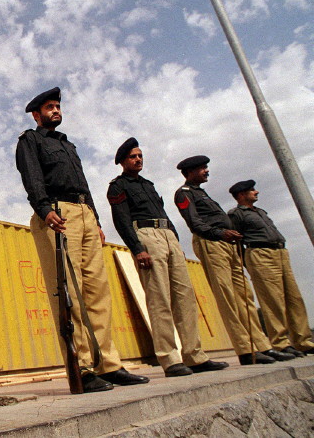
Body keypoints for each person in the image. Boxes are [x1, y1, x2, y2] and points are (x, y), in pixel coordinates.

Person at [16, 87, 148, 392]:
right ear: (37, 114)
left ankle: (109, 365)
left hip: (85, 215)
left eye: (58, 106)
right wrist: (44, 208)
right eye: (49, 107)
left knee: (98, 292)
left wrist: (97, 221)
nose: (55, 110)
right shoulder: (30, 140)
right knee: (69, 293)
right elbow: (33, 177)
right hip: (59, 214)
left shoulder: (69, 146)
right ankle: (83, 368)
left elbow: (84, 185)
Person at [107, 139, 227, 376]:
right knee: (159, 298)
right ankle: (170, 359)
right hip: (146, 236)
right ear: (122, 161)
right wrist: (137, 248)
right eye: (133, 157)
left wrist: (176, 241)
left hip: (167, 236)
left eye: (140, 155)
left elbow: (163, 213)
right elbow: (121, 220)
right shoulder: (118, 186)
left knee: (185, 297)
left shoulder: (149, 185)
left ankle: (194, 356)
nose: (138, 159)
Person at [174, 157, 293, 365]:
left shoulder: (203, 194)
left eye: (206, 167)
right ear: (190, 171)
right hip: (212, 242)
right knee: (227, 296)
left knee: (244, 296)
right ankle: (246, 350)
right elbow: (194, 223)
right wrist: (220, 233)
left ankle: (262, 346)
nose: (206, 171)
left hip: (229, 244)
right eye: (202, 168)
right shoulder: (184, 193)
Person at [228, 180, 314, 356]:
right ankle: (281, 342)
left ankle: (303, 341)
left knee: (294, 298)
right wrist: (245, 262)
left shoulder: (260, 212)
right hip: (260, 253)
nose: (256, 192)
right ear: (241, 195)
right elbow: (236, 240)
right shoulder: (236, 214)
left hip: (280, 252)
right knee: (273, 299)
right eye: (252, 190)